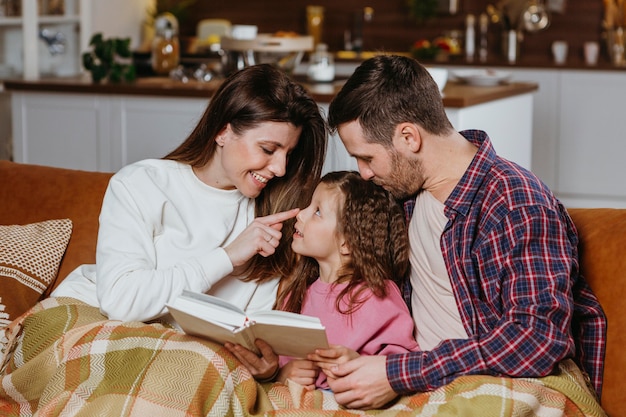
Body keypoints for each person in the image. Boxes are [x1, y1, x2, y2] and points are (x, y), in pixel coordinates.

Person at [315, 55, 607, 412]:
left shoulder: (515, 202)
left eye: (366, 158)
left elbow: (537, 339)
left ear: (409, 137)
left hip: (505, 385)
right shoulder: (402, 197)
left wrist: (397, 373)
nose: (363, 174)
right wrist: (365, 359)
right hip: (421, 381)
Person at [51, 64, 328, 324]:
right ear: (222, 131)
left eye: (288, 154)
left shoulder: (276, 217)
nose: (280, 169)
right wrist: (228, 257)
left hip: (174, 351)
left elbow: (249, 328)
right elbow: (121, 302)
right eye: (268, 149)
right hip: (88, 316)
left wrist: (263, 362)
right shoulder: (142, 183)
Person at [225, 170, 420, 389]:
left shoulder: (377, 295)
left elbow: (403, 363)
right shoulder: (296, 294)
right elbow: (278, 362)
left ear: (348, 242)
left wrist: (358, 364)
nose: (301, 214)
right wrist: (282, 374)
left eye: (317, 212)